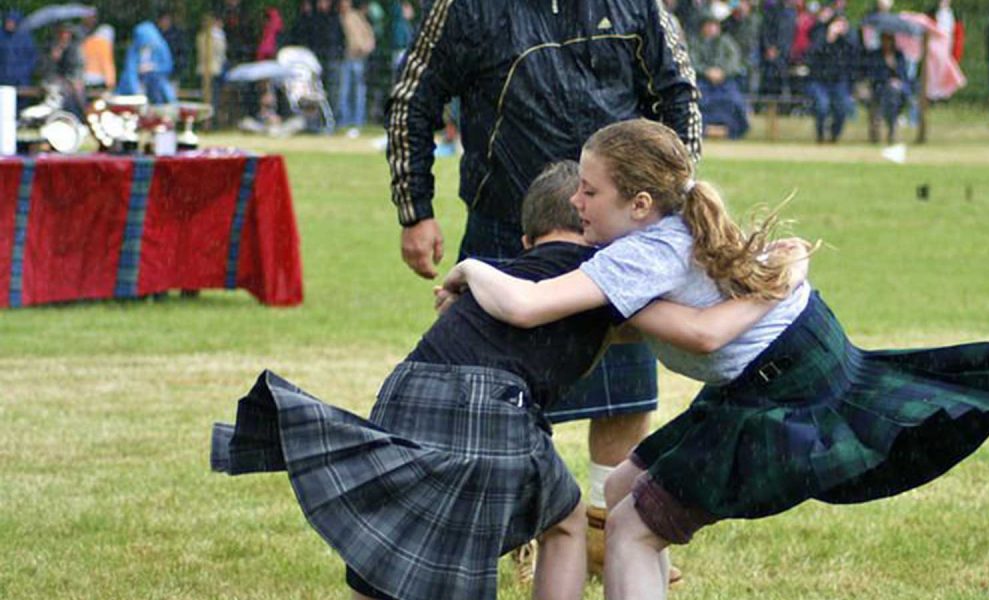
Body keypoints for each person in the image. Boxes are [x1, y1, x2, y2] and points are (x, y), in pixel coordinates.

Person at [445, 118, 989, 600]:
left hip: (782, 387)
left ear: (639, 203)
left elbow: (530, 308)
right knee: (621, 489)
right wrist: (775, 285)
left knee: (631, 530)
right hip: (785, 362)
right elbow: (661, 327)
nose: (576, 200)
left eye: (589, 191)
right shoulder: (666, 225)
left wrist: (469, 270)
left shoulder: (638, 255)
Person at [211, 161, 802, 600]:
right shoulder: (605, 275)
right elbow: (696, 331)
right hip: (485, 402)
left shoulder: (509, 274)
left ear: (527, 239)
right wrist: (774, 285)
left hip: (405, 388)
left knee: (399, 541)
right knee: (567, 523)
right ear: (595, 225)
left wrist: (473, 271)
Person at [386, 0, 702, 579]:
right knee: (500, 387)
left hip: (617, 230)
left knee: (624, 395)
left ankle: (608, 528)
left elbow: (678, 95)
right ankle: (518, 523)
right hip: (512, 226)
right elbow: (414, 97)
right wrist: (416, 209)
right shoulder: (465, 9)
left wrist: (671, 206)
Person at [690, 12, 750, 139]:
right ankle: (703, 129)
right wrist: (707, 72)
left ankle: (731, 129)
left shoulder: (727, 43)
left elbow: (735, 61)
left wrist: (723, 72)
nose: (712, 28)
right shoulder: (695, 43)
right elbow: (692, 62)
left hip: (725, 81)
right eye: (709, 25)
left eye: (714, 25)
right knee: (698, 101)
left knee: (735, 101)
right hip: (702, 81)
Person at [805, 13, 858, 143]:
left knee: (842, 108)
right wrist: (829, 37)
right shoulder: (820, 36)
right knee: (822, 106)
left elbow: (855, 53)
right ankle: (820, 135)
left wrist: (845, 35)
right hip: (819, 81)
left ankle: (834, 136)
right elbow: (812, 54)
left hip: (837, 82)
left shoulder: (846, 41)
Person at [118, 13, 177, 104]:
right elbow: (130, 70)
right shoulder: (135, 49)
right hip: (137, 88)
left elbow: (167, 66)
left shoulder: (160, 46)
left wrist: (154, 67)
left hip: (155, 85)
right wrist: (136, 91)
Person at [338, 0, 375, 136]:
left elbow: (367, 35)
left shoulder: (355, 17)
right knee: (346, 90)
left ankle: (357, 121)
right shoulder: (342, 18)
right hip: (348, 57)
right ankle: (345, 120)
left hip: (357, 58)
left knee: (357, 91)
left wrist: (364, 49)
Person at [865, 32, 909, 144]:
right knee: (889, 94)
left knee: (894, 94)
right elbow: (873, 75)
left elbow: (903, 75)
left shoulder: (899, 55)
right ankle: (890, 126)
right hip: (880, 87)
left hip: (896, 89)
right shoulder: (876, 55)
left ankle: (892, 125)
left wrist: (894, 67)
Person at [81, 24, 117, 92]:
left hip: (84, 77)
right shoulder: (104, 44)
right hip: (98, 80)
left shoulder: (88, 41)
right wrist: (111, 83)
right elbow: (107, 64)